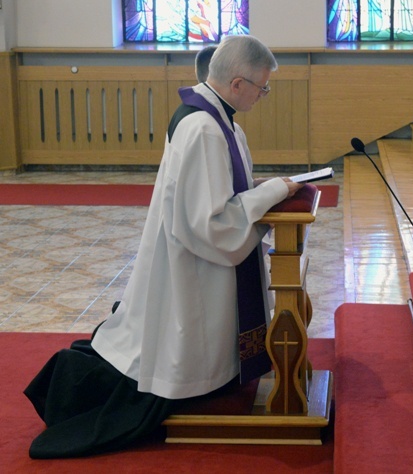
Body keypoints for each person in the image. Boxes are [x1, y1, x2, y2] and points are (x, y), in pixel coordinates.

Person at [24, 34, 303, 459]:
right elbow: (208, 223)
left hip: (193, 258)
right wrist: (269, 195)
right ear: (236, 84)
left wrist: (265, 193)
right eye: (262, 88)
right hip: (192, 265)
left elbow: (223, 198)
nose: (264, 96)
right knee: (179, 340)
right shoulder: (204, 129)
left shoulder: (218, 119)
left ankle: (217, 378)